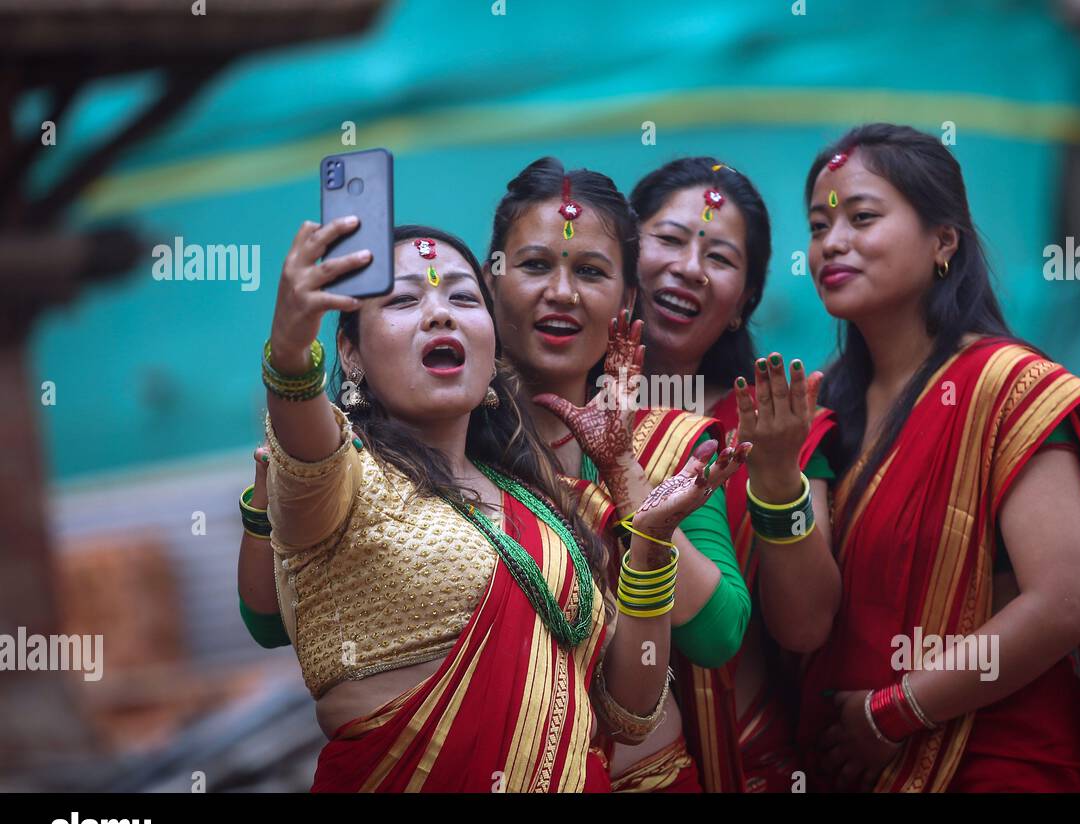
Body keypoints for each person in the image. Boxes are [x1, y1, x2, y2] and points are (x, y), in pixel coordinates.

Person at [240, 219, 742, 791]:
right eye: (404, 299)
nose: (440, 313)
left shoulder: (543, 505)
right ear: (350, 354)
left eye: (462, 296)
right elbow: (301, 429)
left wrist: (650, 548)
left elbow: (629, 709)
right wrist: (289, 344)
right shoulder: (341, 476)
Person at [784, 123, 1080, 792]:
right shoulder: (820, 408)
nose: (833, 242)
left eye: (862, 217)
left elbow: (1066, 603)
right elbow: (805, 622)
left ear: (943, 241)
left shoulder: (1009, 390)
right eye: (818, 226)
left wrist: (895, 714)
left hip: (998, 764)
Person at [485, 158, 753, 791]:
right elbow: (271, 619)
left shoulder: (669, 444)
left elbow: (718, 634)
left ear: (627, 300)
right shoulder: (445, 440)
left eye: (590, 271)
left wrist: (624, 472)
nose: (562, 291)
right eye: (534, 265)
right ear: (490, 281)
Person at [629, 157, 840, 792]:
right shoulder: (549, 414)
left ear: (745, 301)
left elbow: (805, 628)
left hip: (747, 768)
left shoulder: (777, 429)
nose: (689, 268)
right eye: (668, 239)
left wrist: (775, 477)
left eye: (719, 257)